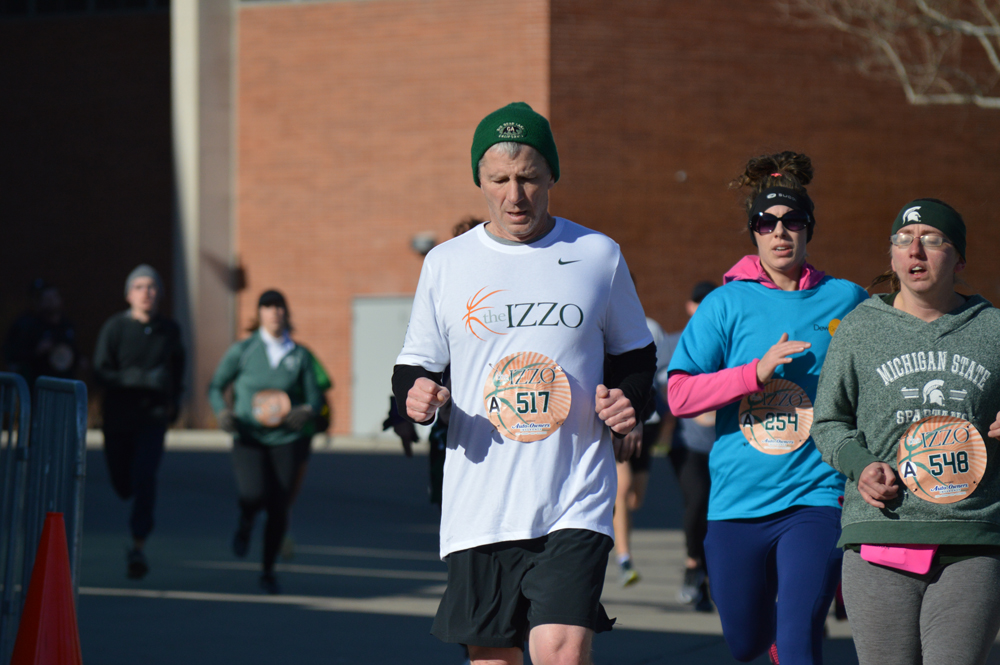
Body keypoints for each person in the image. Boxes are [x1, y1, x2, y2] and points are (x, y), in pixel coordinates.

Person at [392, 102, 656, 665]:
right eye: (501, 180)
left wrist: (629, 398)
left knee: (560, 650)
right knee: (494, 659)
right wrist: (416, 394)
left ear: (551, 176)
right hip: (482, 500)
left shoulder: (596, 255)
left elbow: (636, 356)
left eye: (530, 178)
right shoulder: (446, 264)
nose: (516, 195)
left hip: (574, 493)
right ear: (480, 182)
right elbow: (416, 364)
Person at [665, 152, 868, 665]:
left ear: (808, 229)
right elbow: (679, 394)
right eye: (767, 222)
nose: (780, 232)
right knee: (747, 642)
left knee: (800, 635)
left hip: (817, 497)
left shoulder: (846, 300)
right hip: (737, 502)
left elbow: (893, 366)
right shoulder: (724, 305)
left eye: (792, 221)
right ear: (753, 232)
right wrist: (752, 374)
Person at [813, 199, 1000, 665]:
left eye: (932, 239)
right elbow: (828, 421)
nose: (915, 249)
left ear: (958, 259)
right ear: (893, 257)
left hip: (972, 537)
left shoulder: (993, 328)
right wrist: (860, 466)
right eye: (904, 239)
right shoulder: (859, 329)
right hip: (880, 534)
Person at [208, 289, 322, 594]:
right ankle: (245, 521)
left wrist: (306, 411)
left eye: (279, 307)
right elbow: (216, 386)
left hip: (286, 438)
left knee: (279, 505)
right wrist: (223, 413)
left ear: (286, 313)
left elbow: (315, 397)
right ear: (259, 314)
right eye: (267, 307)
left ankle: (268, 570)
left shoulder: (298, 355)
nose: (274, 313)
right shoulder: (243, 351)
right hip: (249, 436)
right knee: (252, 493)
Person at [93, 264, 185, 580]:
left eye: (152, 287)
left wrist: (175, 400)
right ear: (128, 294)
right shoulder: (115, 328)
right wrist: (141, 379)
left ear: (159, 293)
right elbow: (100, 371)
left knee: (145, 477)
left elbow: (179, 367)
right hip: (118, 420)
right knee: (123, 485)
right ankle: (135, 527)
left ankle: (138, 545)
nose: (146, 293)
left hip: (152, 420)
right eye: (139, 287)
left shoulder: (169, 331)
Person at [659, 280, 717, 609]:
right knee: (697, 504)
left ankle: (708, 578)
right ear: (689, 306)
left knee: (717, 513)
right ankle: (693, 564)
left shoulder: (728, 341)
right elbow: (656, 393)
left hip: (724, 446)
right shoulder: (673, 344)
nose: (702, 308)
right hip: (686, 446)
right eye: (698, 303)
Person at [613, 308, 666, 588]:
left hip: (650, 420)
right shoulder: (605, 327)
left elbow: (663, 374)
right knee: (623, 490)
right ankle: (624, 558)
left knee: (636, 499)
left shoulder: (650, 327)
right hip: (620, 422)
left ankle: (616, 519)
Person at [3, 279, 80, 386]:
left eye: (54, 297)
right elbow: (12, 356)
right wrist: (36, 351)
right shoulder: (26, 325)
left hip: (65, 385)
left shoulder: (67, 325)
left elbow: (76, 352)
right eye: (46, 298)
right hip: (38, 386)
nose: (51, 301)